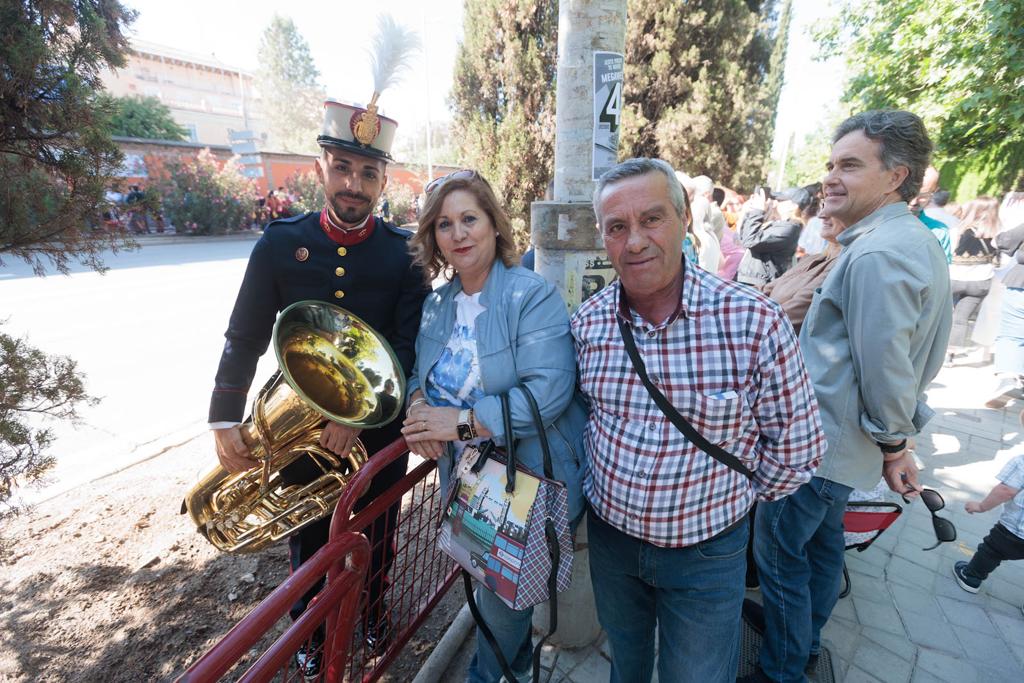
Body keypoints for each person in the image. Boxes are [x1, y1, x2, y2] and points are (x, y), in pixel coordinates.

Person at [572, 158, 825, 683]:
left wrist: (727, 503)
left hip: (708, 553)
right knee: (627, 667)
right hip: (612, 545)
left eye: (652, 219)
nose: (635, 241)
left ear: (686, 218)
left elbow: (797, 449)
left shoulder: (752, 321)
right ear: (603, 236)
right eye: (617, 227)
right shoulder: (588, 324)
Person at [208, 98, 430, 677]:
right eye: (343, 169)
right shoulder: (281, 244)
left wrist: (361, 416)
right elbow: (244, 334)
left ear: (384, 181)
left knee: (379, 527)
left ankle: (374, 609)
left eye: (368, 173)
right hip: (297, 427)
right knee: (305, 534)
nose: (354, 185)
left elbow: (408, 347)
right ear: (319, 169)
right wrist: (224, 415)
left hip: (374, 431)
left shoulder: (404, 255)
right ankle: (309, 629)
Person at [746, 110, 952, 683]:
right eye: (830, 165)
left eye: (851, 165)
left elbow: (886, 370)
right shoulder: (894, 242)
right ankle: (802, 639)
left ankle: (783, 668)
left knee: (779, 556)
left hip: (819, 449)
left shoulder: (878, 253)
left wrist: (895, 446)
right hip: (836, 446)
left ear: (896, 176)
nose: (830, 178)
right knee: (818, 549)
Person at [402, 170, 586, 683]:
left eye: (469, 219)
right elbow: (421, 371)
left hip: (523, 483)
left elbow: (548, 392)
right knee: (490, 590)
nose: (458, 234)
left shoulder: (530, 295)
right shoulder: (437, 303)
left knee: (504, 606)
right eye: (444, 224)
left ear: (494, 225)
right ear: (433, 237)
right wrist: (420, 414)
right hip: (465, 482)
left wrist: (458, 423)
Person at [952, 453, 1024, 606]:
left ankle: (971, 577)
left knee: (991, 551)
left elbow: (1006, 490)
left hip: (1014, 531)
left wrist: (981, 506)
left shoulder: (1021, 461)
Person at [761, 212, 847, 334]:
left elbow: (787, 316)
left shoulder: (840, 266)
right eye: (823, 205)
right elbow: (765, 289)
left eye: (835, 207)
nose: (822, 215)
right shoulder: (812, 258)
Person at [947, 197, 1001, 363]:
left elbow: (947, 253)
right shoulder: (998, 234)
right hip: (980, 282)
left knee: (944, 314)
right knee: (961, 318)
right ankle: (951, 352)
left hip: (954, 278)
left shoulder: (958, 230)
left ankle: (936, 346)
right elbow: (1001, 260)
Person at [736, 186, 810, 287]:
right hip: (752, 280)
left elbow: (750, 240)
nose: (775, 203)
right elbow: (743, 237)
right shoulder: (779, 223)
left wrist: (757, 211)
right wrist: (750, 211)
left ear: (793, 206)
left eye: (780, 200)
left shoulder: (790, 228)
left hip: (758, 284)